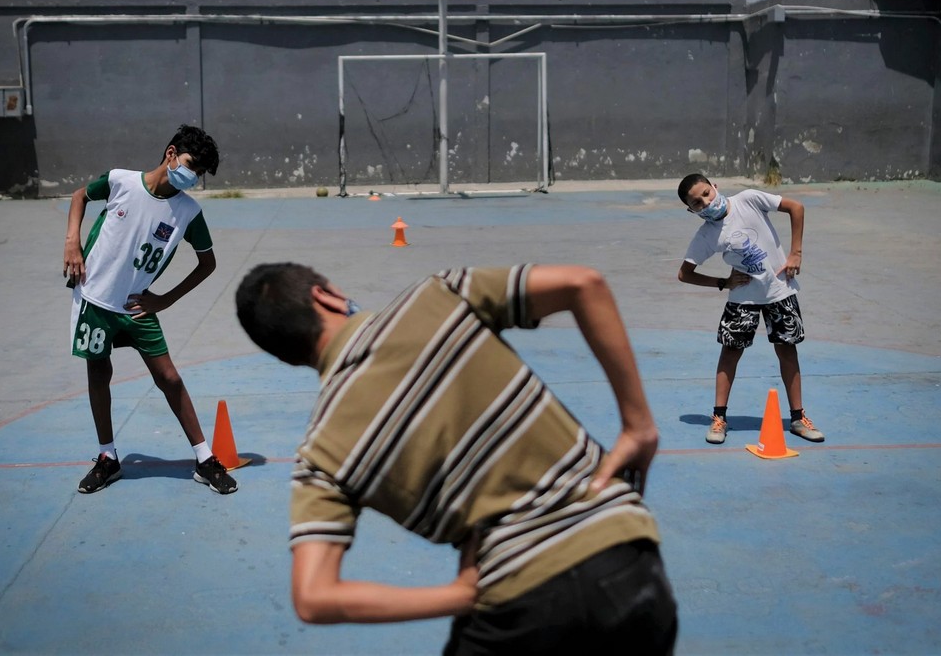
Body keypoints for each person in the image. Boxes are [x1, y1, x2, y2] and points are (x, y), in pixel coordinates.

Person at [235, 263, 677, 655]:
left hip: (517, 604)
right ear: (325, 295)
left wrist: (460, 594)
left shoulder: (321, 455)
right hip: (628, 562)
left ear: (285, 355)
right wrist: (638, 424)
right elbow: (584, 283)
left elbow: (314, 598)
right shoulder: (439, 295)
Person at [62, 124, 237, 495]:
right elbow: (79, 197)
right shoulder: (120, 181)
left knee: (169, 377)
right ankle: (107, 458)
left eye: (200, 174)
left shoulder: (188, 212)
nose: (193, 177)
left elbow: (208, 263)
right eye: (192, 165)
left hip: (137, 306)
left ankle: (205, 459)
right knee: (99, 373)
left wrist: (166, 299)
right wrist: (72, 243)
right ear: (171, 154)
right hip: (95, 299)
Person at [675, 173, 825, 446]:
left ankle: (798, 418)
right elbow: (685, 274)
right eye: (697, 203)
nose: (706, 203)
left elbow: (796, 207)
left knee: (787, 351)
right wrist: (723, 282)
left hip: (780, 291)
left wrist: (796, 253)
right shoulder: (707, 235)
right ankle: (719, 418)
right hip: (742, 299)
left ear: (714, 187)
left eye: (706, 194)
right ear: (691, 210)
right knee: (730, 355)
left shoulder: (748, 199)